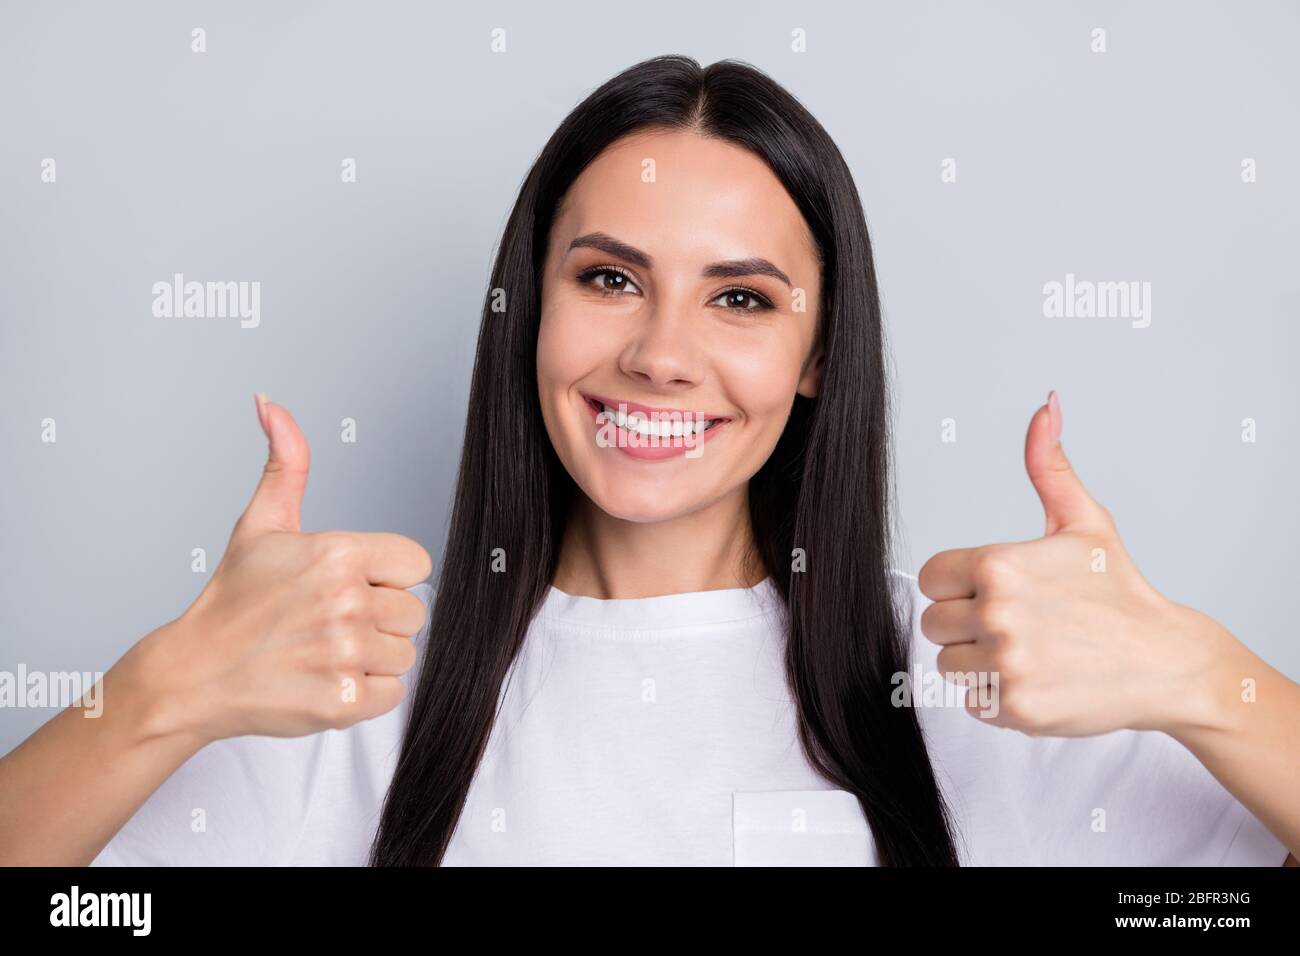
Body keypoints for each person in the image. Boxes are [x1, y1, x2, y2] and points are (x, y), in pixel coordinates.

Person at [2, 55, 1295, 867]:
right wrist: (165, 688)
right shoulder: (346, 680)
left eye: (741, 300)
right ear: (528, 311)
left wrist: (1203, 676)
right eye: (610, 278)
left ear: (820, 355)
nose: (661, 355)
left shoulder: (969, 684)